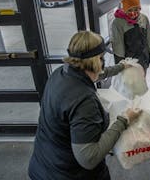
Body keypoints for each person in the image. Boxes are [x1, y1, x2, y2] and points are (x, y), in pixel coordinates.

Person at [28, 30, 142, 180]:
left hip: (45, 163)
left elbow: (96, 73)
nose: (103, 62)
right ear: (96, 60)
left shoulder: (61, 73)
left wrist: (121, 67)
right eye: (102, 58)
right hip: (69, 173)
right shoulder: (84, 101)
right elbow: (89, 158)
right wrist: (124, 120)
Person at [111, 0, 150, 73]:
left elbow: (149, 39)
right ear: (124, 9)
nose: (133, 13)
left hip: (143, 60)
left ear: (140, 8)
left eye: (136, 9)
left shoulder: (144, 18)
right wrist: (120, 66)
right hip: (129, 64)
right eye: (129, 10)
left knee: (141, 81)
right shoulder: (118, 23)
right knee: (130, 84)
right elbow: (118, 46)